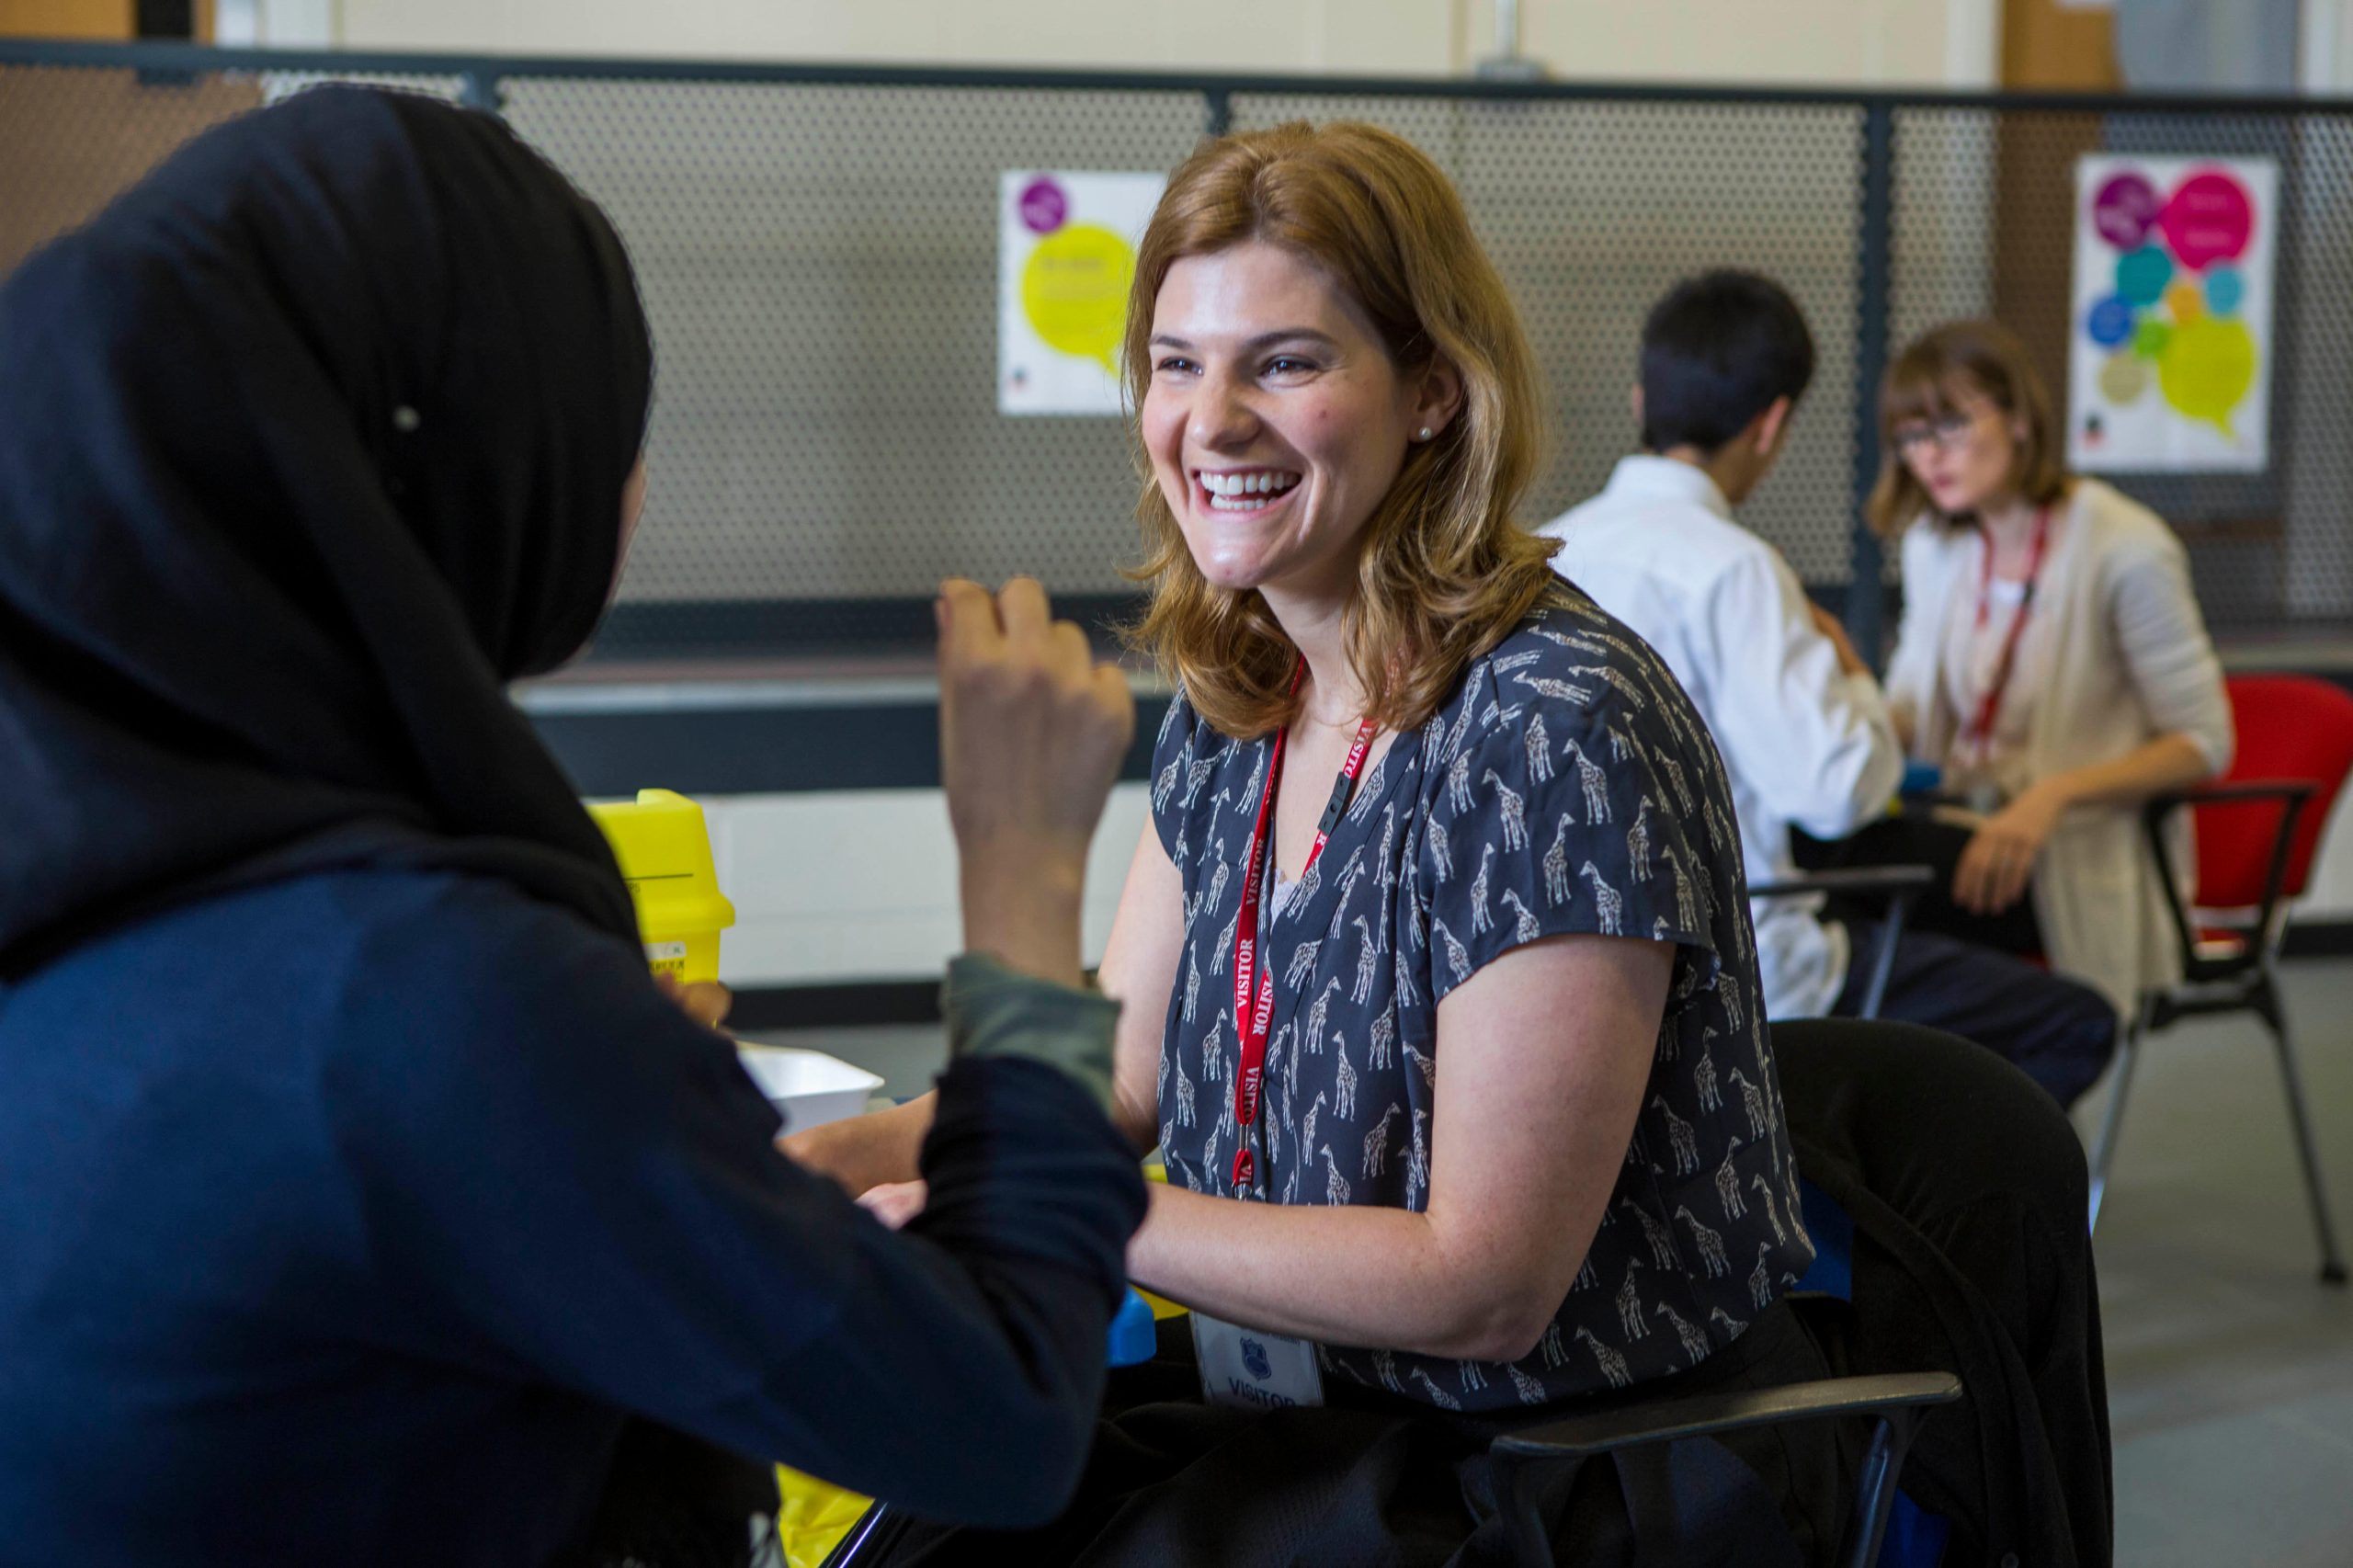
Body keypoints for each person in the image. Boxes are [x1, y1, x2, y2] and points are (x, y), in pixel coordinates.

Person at [0, 87, 1149, 1566]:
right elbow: (1000, 1420)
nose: (632, 484)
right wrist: (1025, 881)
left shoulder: (106, 894)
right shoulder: (426, 999)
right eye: (600, 420)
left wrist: (588, 1094)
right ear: (445, 466)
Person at [791, 122, 1847, 1562]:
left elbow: (1484, 1284)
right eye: (1176, 363)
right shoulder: (1238, 698)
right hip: (1318, 1412)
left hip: (1558, 1471)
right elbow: (1113, 1077)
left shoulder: (1552, 726)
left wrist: (1055, 1207)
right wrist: (854, 1153)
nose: (1210, 421)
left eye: (1282, 362)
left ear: (1430, 390)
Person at [1543, 273, 2120, 1108]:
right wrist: (1849, 672)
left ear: (1641, 398)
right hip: (1745, 974)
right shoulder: (1733, 568)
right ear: (1773, 423)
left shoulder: (1549, 551)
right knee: (2076, 1022)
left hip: (1576, 963)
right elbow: (1838, 792)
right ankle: (1887, 1219)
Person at [1822, 318, 2234, 1018]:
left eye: (1949, 425)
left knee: (1851, 887)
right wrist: (1838, 682)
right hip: (1966, 827)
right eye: (1912, 436)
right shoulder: (1936, 545)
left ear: (2017, 417)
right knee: (1819, 849)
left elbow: (2205, 743)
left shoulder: (2125, 545)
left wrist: (2052, 797)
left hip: (2067, 857)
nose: (1929, 455)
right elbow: (1914, 715)